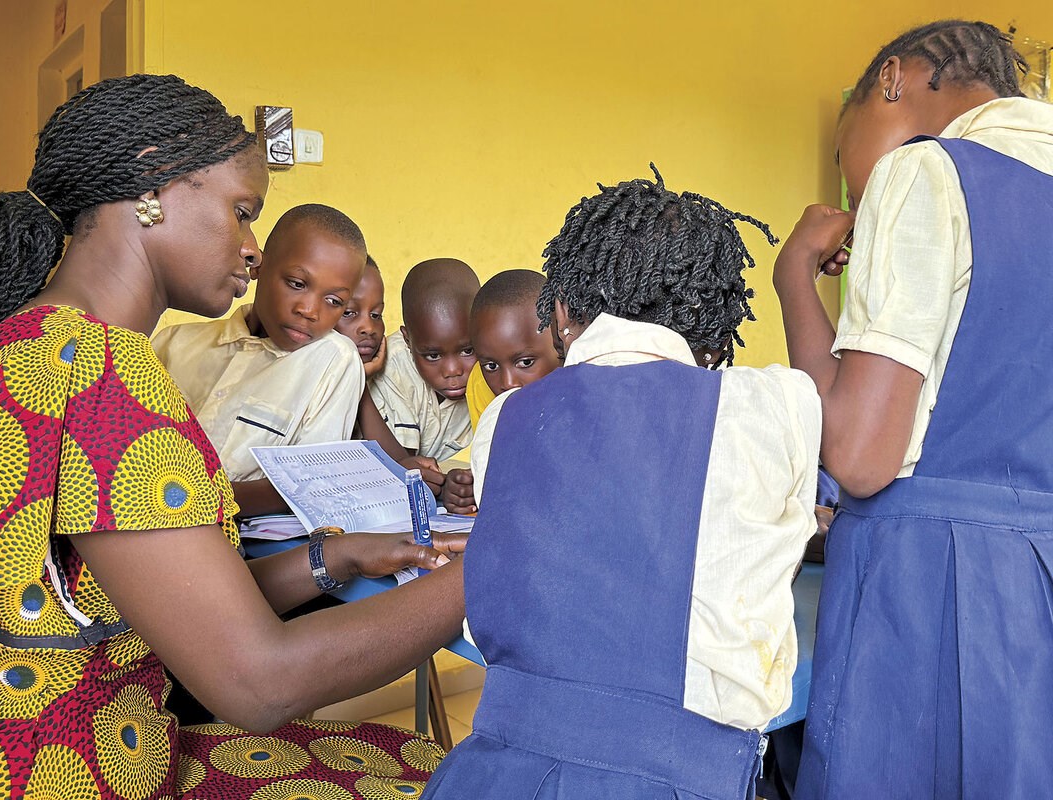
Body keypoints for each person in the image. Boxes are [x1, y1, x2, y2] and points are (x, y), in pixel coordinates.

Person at [0, 74, 465, 800]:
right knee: (437, 775)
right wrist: (490, 568)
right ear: (151, 188)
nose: (251, 250)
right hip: (55, 774)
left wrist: (329, 558)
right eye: (242, 213)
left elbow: (140, 597)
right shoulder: (104, 374)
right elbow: (259, 682)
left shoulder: (19, 346)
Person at [426, 165, 820, 799]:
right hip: (684, 777)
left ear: (559, 311)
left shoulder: (506, 418)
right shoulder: (775, 402)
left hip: (494, 773)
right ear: (718, 324)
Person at [773, 19, 1053, 797]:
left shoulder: (923, 172)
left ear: (892, 80)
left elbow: (860, 457)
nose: (852, 188)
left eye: (843, 155)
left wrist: (796, 274)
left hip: (928, 590)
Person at [153, 203, 367, 517]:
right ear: (259, 268)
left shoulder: (334, 360)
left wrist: (185, 501)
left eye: (334, 301)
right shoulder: (174, 342)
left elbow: (305, 488)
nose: (310, 310)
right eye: (297, 284)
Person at [370, 258, 479, 509]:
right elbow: (405, 470)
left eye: (467, 350)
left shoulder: (493, 369)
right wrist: (443, 490)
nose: (453, 371)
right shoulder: (392, 371)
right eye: (433, 356)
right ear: (408, 340)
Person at [335, 255, 445, 494]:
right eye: (349, 312)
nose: (368, 328)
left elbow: (397, 462)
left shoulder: (369, 378)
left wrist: (359, 383)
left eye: (376, 315)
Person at [467, 268, 561, 417]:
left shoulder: (588, 383)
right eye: (492, 366)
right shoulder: (479, 385)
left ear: (560, 343)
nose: (508, 383)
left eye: (525, 363)